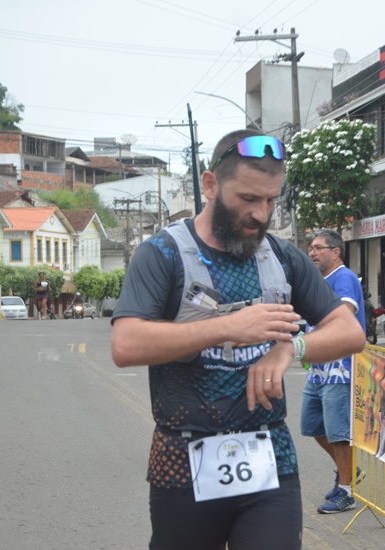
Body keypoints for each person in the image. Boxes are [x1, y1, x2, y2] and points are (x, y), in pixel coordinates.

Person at [111, 130, 366, 550]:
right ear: (210, 184)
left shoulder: (281, 256)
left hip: (269, 460)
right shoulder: (163, 253)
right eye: (248, 198)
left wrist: (291, 348)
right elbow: (126, 344)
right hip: (182, 462)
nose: (261, 215)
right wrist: (227, 326)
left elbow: (350, 331)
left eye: (271, 201)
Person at [301, 229, 365, 514]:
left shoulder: (343, 277)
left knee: (338, 433)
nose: (312, 252)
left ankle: (346, 492)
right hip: (319, 369)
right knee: (312, 426)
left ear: (336, 252)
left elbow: (345, 311)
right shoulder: (321, 280)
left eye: (318, 248)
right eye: (311, 248)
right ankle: (348, 469)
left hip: (340, 368)